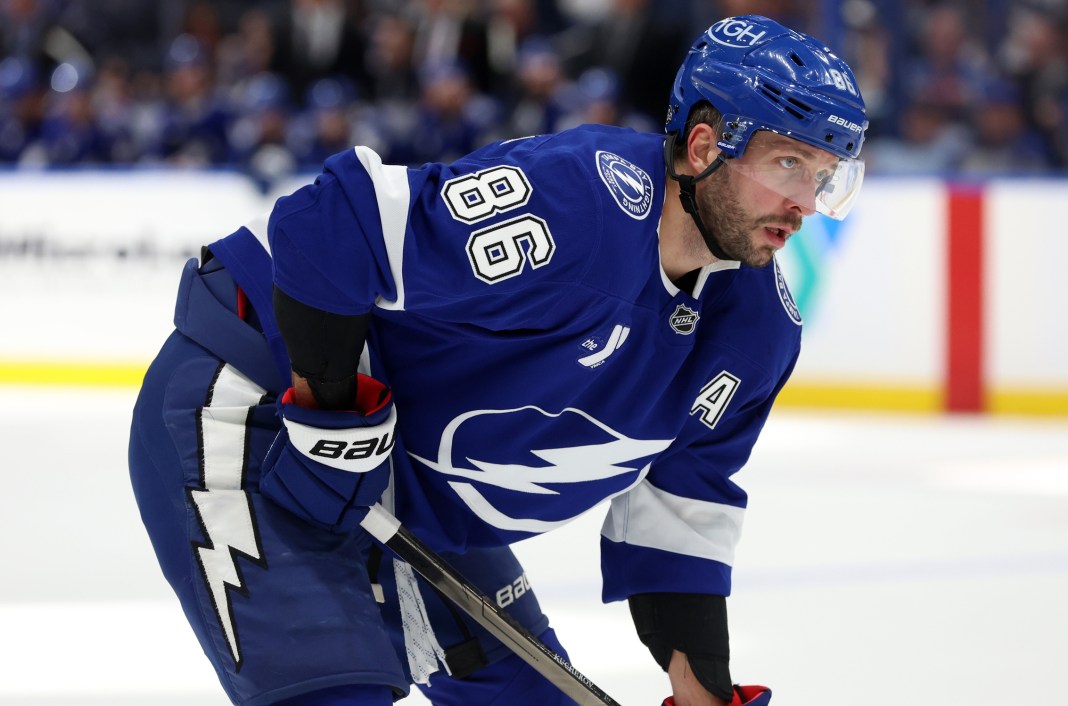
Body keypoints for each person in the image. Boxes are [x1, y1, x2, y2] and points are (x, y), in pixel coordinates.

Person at [128, 14, 867, 706]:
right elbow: (325, 228)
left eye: (824, 175)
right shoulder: (578, 204)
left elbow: (679, 512)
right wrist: (330, 420)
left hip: (408, 492)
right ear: (705, 148)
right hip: (257, 394)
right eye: (788, 162)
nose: (805, 202)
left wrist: (702, 692)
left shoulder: (760, 331)